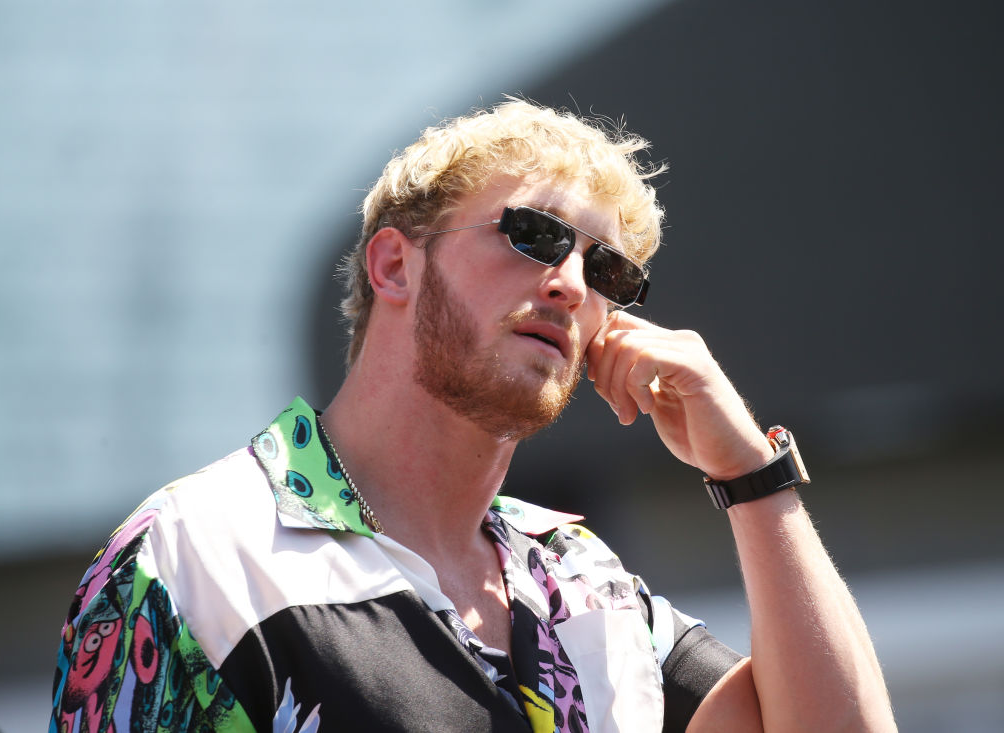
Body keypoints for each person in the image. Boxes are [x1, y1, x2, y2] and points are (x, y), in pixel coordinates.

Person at [49, 99, 896, 732]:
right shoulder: (195, 556)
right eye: (533, 234)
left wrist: (750, 472)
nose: (571, 283)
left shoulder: (584, 584)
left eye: (608, 272)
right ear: (393, 265)